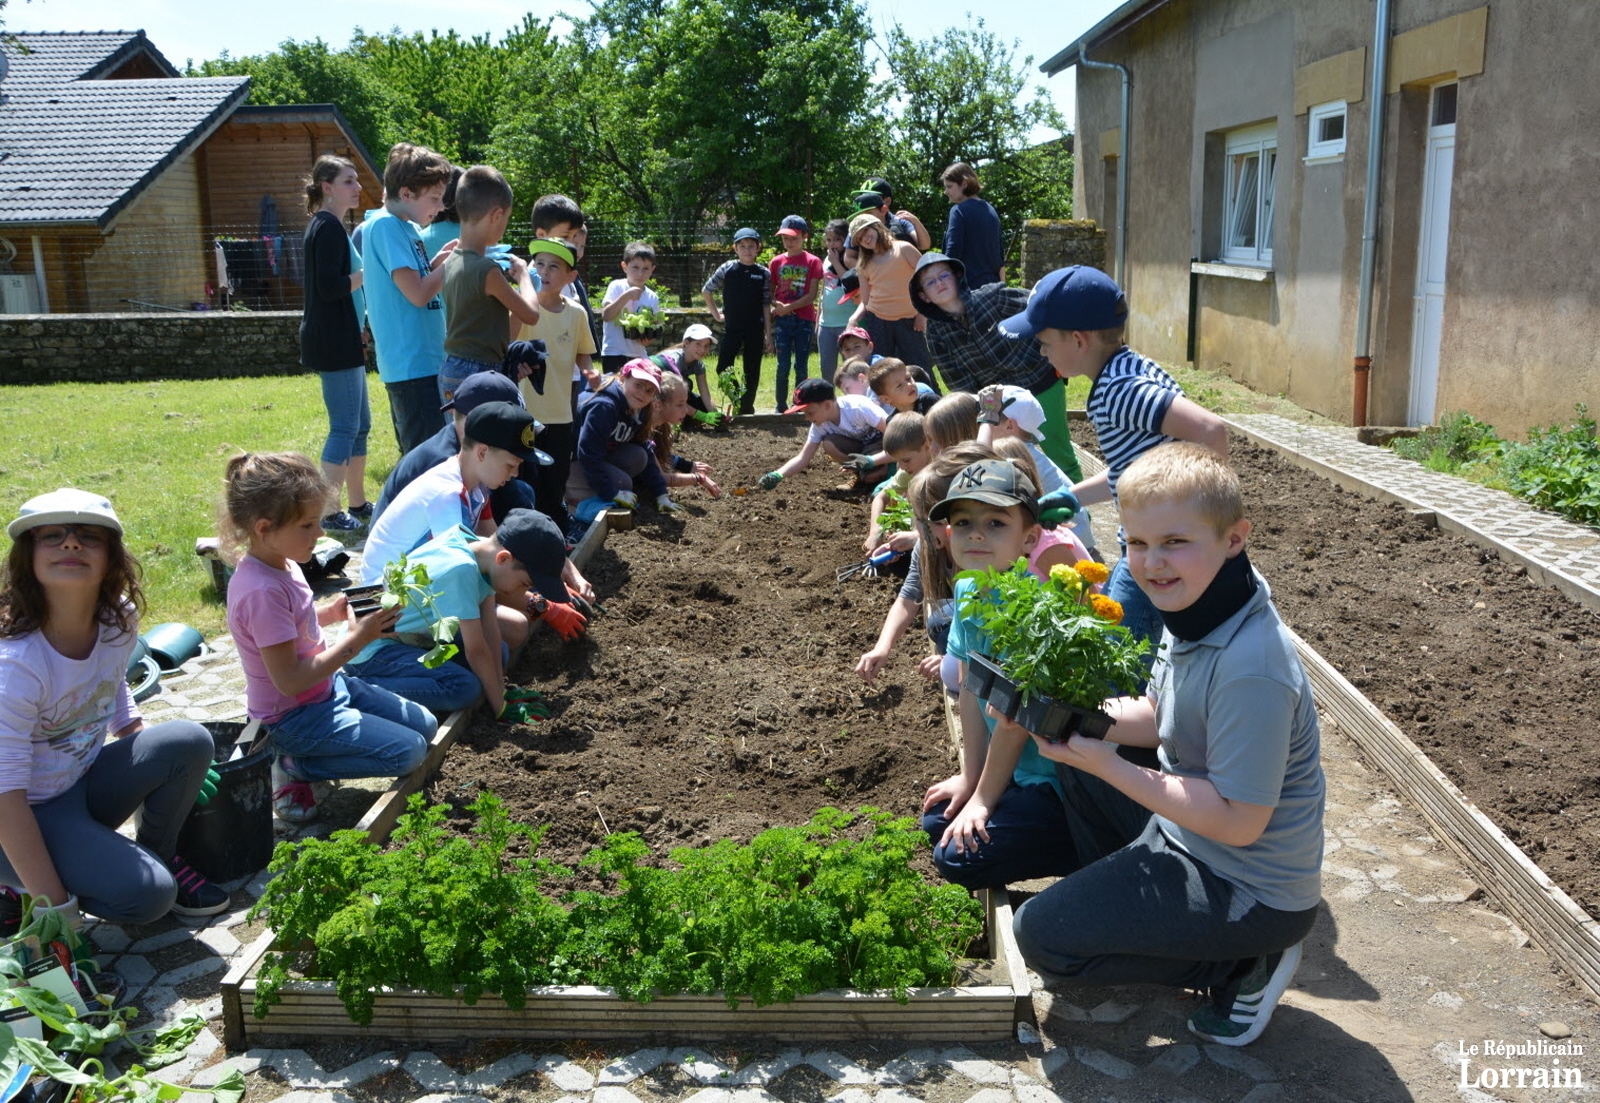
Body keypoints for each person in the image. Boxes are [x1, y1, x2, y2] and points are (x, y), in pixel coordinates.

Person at [1012, 442, 1324, 1048]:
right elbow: (1157, 717)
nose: (1152, 563)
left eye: (1175, 542)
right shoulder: (1201, 605)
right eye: (1136, 544)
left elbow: (1238, 823)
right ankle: (1136, 913)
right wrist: (1073, 718)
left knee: (1043, 938)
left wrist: (1109, 765)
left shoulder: (1252, 666)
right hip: (1190, 838)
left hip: (1252, 888)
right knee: (1080, 750)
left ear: (1234, 538)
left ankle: (1241, 966)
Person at [0, 489, 230, 926]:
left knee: (186, 742)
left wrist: (139, 747)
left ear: (112, 556)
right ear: (27, 556)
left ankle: (159, 855)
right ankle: (19, 888)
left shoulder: (117, 619)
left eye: (89, 536)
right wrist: (56, 908)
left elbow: (109, 680)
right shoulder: (15, 666)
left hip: (75, 784)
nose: (71, 543)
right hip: (18, 815)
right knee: (147, 897)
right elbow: (5, 797)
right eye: (52, 536)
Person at [999, 265, 1228, 661]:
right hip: (1149, 547)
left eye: (1045, 341)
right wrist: (1072, 497)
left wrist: (1201, 523)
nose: (1041, 351)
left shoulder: (1119, 390)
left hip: (1157, 552)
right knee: (1130, 651)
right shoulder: (1121, 372)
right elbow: (1130, 468)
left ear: (1077, 339)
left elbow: (1211, 431)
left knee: (1115, 662)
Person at [222, 454, 435, 824]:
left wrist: (331, 614)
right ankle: (293, 764)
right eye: (308, 525)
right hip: (291, 717)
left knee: (428, 726)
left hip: (327, 688)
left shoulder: (282, 563)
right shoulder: (261, 593)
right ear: (263, 527)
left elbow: (289, 629)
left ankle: (309, 755)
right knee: (409, 752)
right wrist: (357, 639)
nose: (321, 534)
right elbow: (289, 680)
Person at [920, 457, 1095, 890]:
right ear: (946, 534)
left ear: (1029, 538)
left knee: (955, 857)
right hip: (1014, 771)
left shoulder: (1035, 609)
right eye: (962, 522)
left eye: (996, 523)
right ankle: (1006, 805)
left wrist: (982, 800)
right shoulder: (965, 588)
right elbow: (968, 690)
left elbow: (1014, 723)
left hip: (1059, 781)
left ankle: (1091, 847)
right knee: (936, 820)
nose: (975, 533)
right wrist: (970, 777)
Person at [346, 509, 577, 721]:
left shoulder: (479, 553)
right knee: (463, 688)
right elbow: (476, 649)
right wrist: (500, 708)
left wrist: (500, 691)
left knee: (501, 655)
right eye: (524, 583)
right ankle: (359, 687)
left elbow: (490, 631)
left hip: (415, 642)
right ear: (504, 558)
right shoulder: (461, 569)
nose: (523, 592)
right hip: (376, 651)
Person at [909, 251, 1081, 485]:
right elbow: (957, 379)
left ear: (957, 276)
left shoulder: (993, 296)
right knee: (1007, 457)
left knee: (1058, 451)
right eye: (931, 282)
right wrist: (984, 410)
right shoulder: (937, 332)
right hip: (997, 402)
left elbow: (1037, 307)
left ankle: (1079, 511)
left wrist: (1052, 349)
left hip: (1040, 380)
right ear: (924, 296)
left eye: (944, 275)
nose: (939, 283)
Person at [359, 402, 543, 584]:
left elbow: (494, 541)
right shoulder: (447, 494)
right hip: (385, 592)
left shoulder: (478, 488)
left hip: (414, 583)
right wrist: (537, 601)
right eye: (511, 465)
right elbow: (466, 565)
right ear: (482, 453)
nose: (516, 473)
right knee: (511, 606)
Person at [363, 143, 456, 454]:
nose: (441, 206)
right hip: (412, 368)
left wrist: (439, 261)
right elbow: (417, 293)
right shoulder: (386, 226)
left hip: (424, 363)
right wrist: (456, 260)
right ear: (406, 193)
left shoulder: (407, 227)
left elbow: (413, 281)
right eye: (434, 198)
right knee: (426, 463)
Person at [370, 371, 546, 531]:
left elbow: (514, 501)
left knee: (523, 491)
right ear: (478, 420)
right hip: (406, 556)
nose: (514, 472)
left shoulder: (475, 455)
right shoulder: (441, 464)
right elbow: (455, 550)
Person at [300, 155, 373, 532]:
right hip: (333, 341)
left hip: (344, 337)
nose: (357, 187)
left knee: (360, 425)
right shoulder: (327, 227)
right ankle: (328, 512)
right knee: (345, 426)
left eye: (356, 180)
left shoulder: (331, 225)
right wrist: (367, 274)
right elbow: (330, 286)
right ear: (327, 187)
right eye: (348, 181)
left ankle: (357, 504)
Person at [438, 166, 541, 407]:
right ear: (496, 215)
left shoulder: (451, 259)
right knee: (487, 444)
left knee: (459, 443)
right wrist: (524, 276)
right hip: (480, 373)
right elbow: (531, 314)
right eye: (506, 219)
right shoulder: (488, 271)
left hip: (451, 367)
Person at [977, 384, 1098, 559]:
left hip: (1067, 547)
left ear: (1010, 425)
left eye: (992, 418)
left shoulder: (1012, 457)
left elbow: (978, 464)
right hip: (1074, 537)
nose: (981, 424)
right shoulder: (1026, 451)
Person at [570, 359, 680, 515]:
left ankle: (596, 486)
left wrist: (661, 494)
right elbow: (587, 454)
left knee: (638, 456)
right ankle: (570, 496)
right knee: (623, 483)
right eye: (638, 385)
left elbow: (644, 447)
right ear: (623, 378)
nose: (642, 393)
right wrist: (611, 492)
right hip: (569, 461)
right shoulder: (604, 406)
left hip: (597, 455)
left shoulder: (639, 408)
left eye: (649, 391)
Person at [758, 379, 887, 491]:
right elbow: (803, 458)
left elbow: (896, 433)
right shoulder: (820, 425)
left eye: (810, 412)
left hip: (883, 443)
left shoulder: (857, 408)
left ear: (827, 405)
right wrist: (777, 475)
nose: (806, 418)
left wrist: (877, 460)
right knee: (829, 444)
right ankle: (860, 476)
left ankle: (888, 473)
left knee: (873, 477)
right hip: (863, 448)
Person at [702, 228, 772, 415]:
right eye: (742, 246)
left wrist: (768, 334)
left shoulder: (764, 273)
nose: (747, 250)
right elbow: (706, 290)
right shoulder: (727, 269)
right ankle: (738, 399)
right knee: (723, 367)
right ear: (735, 248)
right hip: (732, 328)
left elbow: (766, 305)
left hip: (755, 330)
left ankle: (746, 408)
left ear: (758, 248)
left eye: (751, 246)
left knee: (752, 370)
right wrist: (716, 315)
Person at [846, 213, 929, 367]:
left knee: (920, 368)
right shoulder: (864, 264)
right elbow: (865, 301)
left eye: (865, 231)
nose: (865, 238)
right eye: (859, 238)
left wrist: (921, 314)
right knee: (883, 372)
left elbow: (927, 281)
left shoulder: (904, 248)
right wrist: (853, 319)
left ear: (877, 227)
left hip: (910, 320)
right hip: (879, 322)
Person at [769, 216, 823, 411]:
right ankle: (780, 405)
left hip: (804, 320)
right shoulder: (776, 262)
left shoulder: (813, 261)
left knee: (801, 366)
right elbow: (769, 291)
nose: (789, 242)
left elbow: (811, 296)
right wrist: (777, 304)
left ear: (804, 236)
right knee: (782, 366)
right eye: (785, 238)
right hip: (783, 321)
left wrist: (787, 307)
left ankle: (799, 403)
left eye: (794, 238)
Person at [862, 410, 932, 555]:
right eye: (897, 461)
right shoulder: (910, 469)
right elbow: (881, 497)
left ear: (927, 446)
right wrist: (876, 530)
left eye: (906, 460)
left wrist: (915, 537)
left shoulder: (941, 475)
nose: (901, 467)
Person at [648, 373, 723, 498]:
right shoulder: (644, 430)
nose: (686, 410)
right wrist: (699, 478)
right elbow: (661, 478)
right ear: (659, 404)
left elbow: (659, 455)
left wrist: (687, 465)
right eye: (680, 404)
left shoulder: (660, 427)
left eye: (686, 404)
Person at [940, 162, 1005, 290]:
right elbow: (1000, 259)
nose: (945, 192)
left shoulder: (958, 211)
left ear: (964, 184)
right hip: (994, 288)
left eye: (949, 186)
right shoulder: (991, 210)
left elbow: (953, 255)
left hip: (969, 289)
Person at [599, 242, 659, 374]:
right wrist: (626, 296)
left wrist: (646, 339)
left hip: (638, 355)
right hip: (613, 352)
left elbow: (652, 328)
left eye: (645, 269)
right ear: (624, 267)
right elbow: (606, 315)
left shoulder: (652, 297)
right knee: (614, 391)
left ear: (652, 269)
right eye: (635, 267)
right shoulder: (617, 286)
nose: (640, 273)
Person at [815, 219, 856, 380]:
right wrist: (818, 318)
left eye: (837, 239)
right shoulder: (827, 259)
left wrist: (836, 262)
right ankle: (829, 402)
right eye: (829, 239)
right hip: (827, 323)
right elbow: (823, 289)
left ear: (846, 239)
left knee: (851, 368)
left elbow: (849, 282)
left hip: (846, 322)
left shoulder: (849, 258)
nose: (832, 244)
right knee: (827, 368)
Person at [651, 323, 718, 415]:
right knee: (686, 386)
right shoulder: (674, 361)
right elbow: (675, 399)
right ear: (686, 343)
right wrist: (700, 416)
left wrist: (714, 413)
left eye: (706, 346)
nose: (703, 350)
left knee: (699, 403)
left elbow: (705, 394)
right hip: (654, 393)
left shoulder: (698, 364)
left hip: (670, 392)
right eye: (698, 344)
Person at [868, 357, 939, 416]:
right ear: (886, 399)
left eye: (908, 378)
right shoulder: (894, 423)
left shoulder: (929, 401)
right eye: (899, 385)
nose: (909, 385)